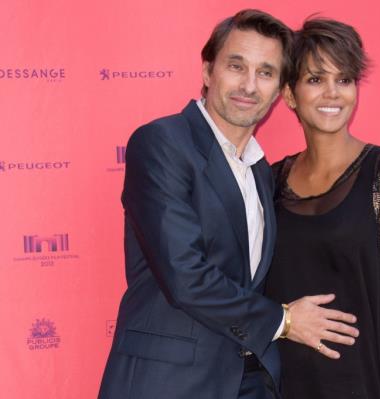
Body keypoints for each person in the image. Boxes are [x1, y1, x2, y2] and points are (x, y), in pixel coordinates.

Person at [98, 10, 359, 399]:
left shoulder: (261, 173)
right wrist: (285, 321)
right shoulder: (163, 144)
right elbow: (185, 276)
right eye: (237, 66)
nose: (249, 85)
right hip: (169, 384)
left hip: (250, 380)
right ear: (207, 71)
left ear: (279, 90)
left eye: (266, 72)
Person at [264, 17, 380, 399]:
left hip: (373, 378)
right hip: (294, 381)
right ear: (290, 95)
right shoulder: (270, 181)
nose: (333, 93)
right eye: (315, 80)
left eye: (343, 80)